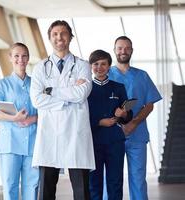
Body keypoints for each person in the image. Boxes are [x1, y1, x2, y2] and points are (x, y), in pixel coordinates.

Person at [30, 20, 95, 200]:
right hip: (50, 133)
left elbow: (81, 93)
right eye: (55, 34)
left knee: (82, 190)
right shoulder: (40, 68)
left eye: (63, 33)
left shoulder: (82, 65)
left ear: (70, 37)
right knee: (46, 190)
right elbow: (36, 100)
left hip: (75, 132)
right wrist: (68, 96)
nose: (59, 37)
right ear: (50, 38)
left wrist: (50, 91)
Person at [108, 36, 162, 200]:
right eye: (119, 48)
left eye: (126, 48)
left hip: (137, 136)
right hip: (111, 136)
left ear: (131, 51)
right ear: (114, 50)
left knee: (138, 179)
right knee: (110, 180)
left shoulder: (142, 76)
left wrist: (134, 123)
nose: (123, 51)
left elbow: (150, 104)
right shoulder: (106, 74)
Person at [0, 42, 39, 200]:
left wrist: (33, 118)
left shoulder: (36, 84)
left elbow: (46, 111)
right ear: (10, 58)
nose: (20, 59)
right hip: (10, 144)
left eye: (24, 56)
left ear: (28, 58)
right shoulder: (2, 84)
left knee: (32, 186)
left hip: (33, 143)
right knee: (10, 186)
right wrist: (14, 118)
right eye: (16, 56)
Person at [88, 50, 132, 200]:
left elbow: (127, 116)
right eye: (95, 64)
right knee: (94, 182)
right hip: (92, 142)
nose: (99, 67)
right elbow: (80, 117)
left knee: (115, 182)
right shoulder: (85, 89)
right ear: (90, 66)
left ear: (109, 66)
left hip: (115, 141)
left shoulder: (118, 87)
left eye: (103, 64)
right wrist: (99, 122)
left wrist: (124, 114)